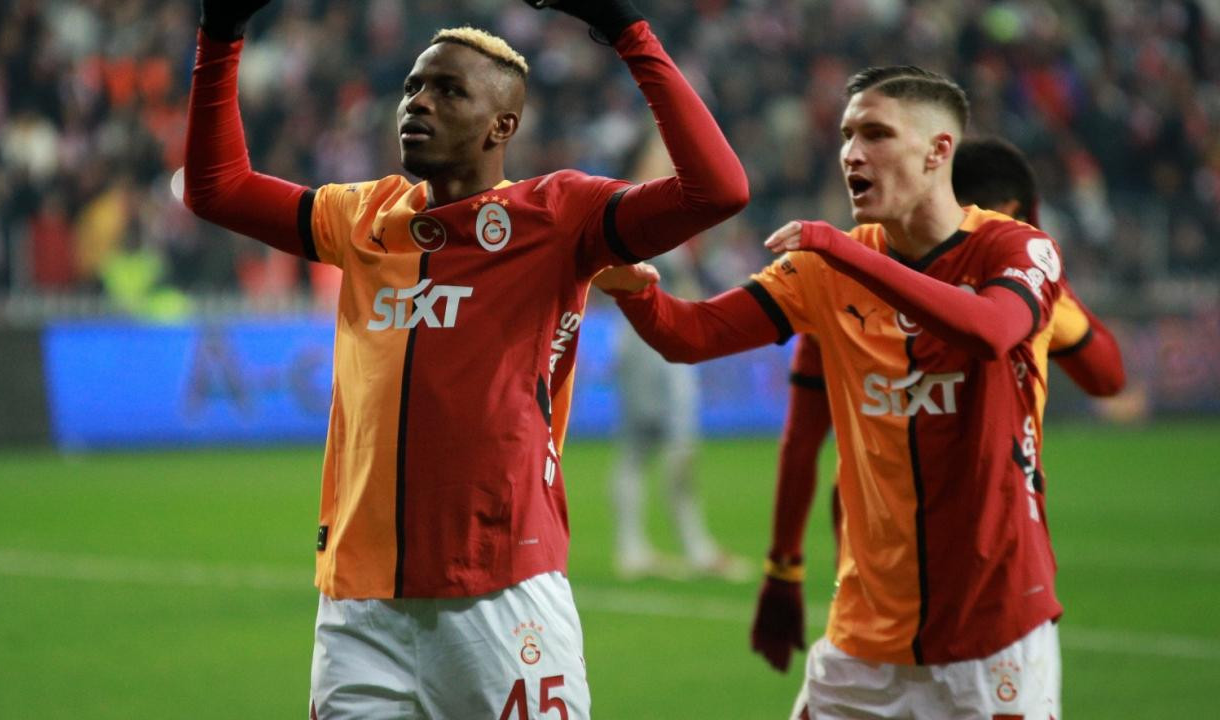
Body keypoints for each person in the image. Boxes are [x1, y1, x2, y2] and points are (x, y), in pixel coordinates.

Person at [182, 0, 748, 717]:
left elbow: (719, 190)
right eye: (413, 87)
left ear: (501, 126)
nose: (418, 102)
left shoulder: (557, 215)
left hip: (500, 597)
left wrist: (626, 29)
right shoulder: (362, 216)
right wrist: (222, 34)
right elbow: (217, 189)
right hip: (358, 609)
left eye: (449, 91)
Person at [596, 66, 1068, 718]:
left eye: (876, 134)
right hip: (862, 640)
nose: (851, 152)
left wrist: (847, 255)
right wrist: (633, 290)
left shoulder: (1016, 248)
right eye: (847, 134)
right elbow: (692, 335)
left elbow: (990, 330)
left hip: (992, 641)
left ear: (938, 151)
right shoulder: (826, 267)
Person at [748, 136, 1127, 678]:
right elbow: (1107, 377)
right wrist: (1054, 292)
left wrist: (783, 566)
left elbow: (801, 441)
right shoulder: (1017, 294)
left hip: (869, 586)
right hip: (981, 596)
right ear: (1011, 211)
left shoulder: (839, 285)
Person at [607, 136, 750, 581]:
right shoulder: (635, 210)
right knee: (668, 444)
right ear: (640, 161)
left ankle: (636, 548)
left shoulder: (650, 210)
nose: (669, 163)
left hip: (644, 340)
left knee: (643, 447)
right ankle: (690, 547)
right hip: (652, 341)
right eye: (660, 155)